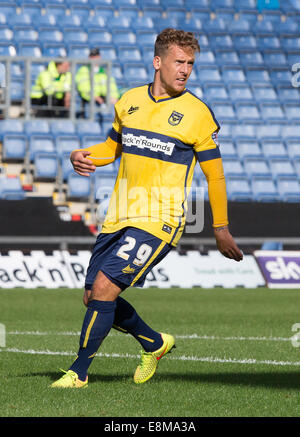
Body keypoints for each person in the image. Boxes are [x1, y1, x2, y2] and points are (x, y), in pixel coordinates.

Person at [51, 28, 243, 389]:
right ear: (158, 62)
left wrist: (220, 228)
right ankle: (154, 344)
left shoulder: (198, 114)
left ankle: (78, 372)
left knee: (106, 287)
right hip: (119, 214)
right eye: (178, 62)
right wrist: (81, 154)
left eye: (190, 64)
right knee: (93, 296)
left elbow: (215, 177)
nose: (185, 70)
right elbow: (112, 148)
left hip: (160, 219)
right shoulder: (129, 101)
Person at [75, 47, 120, 117]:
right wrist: (95, 97)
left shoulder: (104, 72)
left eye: (97, 56)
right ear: (89, 58)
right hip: (90, 100)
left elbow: (112, 87)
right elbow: (83, 87)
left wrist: (113, 97)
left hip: (105, 99)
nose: (95, 59)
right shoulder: (84, 70)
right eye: (93, 57)